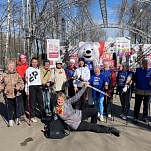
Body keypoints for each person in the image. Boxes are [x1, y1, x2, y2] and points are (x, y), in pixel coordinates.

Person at [53, 82, 120, 137]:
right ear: (56, 99)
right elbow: (62, 117)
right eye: (58, 99)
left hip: (79, 114)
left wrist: (84, 88)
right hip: (75, 123)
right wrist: (51, 127)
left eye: (61, 100)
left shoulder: (67, 102)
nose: (60, 101)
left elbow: (76, 97)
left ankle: (94, 126)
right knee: (92, 126)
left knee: (95, 110)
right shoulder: (57, 109)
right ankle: (110, 130)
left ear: (64, 100)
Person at [0, 61, 24, 126]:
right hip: (8, 94)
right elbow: (1, 83)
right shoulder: (4, 75)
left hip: (16, 93)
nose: (11, 67)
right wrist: (2, 89)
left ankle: (17, 117)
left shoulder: (17, 74)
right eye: (9, 66)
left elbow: (21, 83)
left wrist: (18, 87)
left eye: (12, 66)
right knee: (9, 107)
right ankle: (10, 119)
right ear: (7, 67)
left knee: (17, 106)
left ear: (14, 67)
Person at [25, 57, 44, 123]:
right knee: (32, 102)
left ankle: (42, 114)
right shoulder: (28, 70)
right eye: (33, 62)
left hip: (38, 86)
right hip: (31, 86)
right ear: (31, 63)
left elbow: (40, 78)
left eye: (35, 62)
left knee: (40, 101)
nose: (34, 64)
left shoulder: (39, 69)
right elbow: (27, 81)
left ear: (37, 63)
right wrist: (26, 90)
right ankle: (32, 116)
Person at [133, 59, 151, 124]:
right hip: (139, 90)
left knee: (146, 105)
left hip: (148, 91)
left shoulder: (150, 70)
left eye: (146, 64)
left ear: (149, 64)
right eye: (144, 64)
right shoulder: (138, 70)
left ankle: (145, 117)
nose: (145, 65)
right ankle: (135, 117)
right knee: (137, 105)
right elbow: (134, 78)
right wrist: (131, 81)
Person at [16, 54, 28, 120]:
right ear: (20, 59)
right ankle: (21, 113)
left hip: (26, 84)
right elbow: (20, 75)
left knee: (25, 99)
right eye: (22, 58)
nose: (23, 60)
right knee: (20, 99)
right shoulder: (18, 66)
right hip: (20, 84)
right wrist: (24, 78)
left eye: (24, 58)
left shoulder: (27, 65)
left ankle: (24, 112)